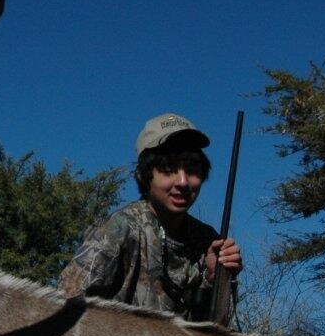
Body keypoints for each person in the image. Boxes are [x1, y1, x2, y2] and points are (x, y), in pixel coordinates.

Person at [59, 113, 242, 320]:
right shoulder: (121, 227)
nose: (183, 182)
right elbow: (67, 301)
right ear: (144, 175)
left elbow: (217, 331)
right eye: (168, 169)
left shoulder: (208, 240)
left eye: (192, 169)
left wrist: (214, 280)